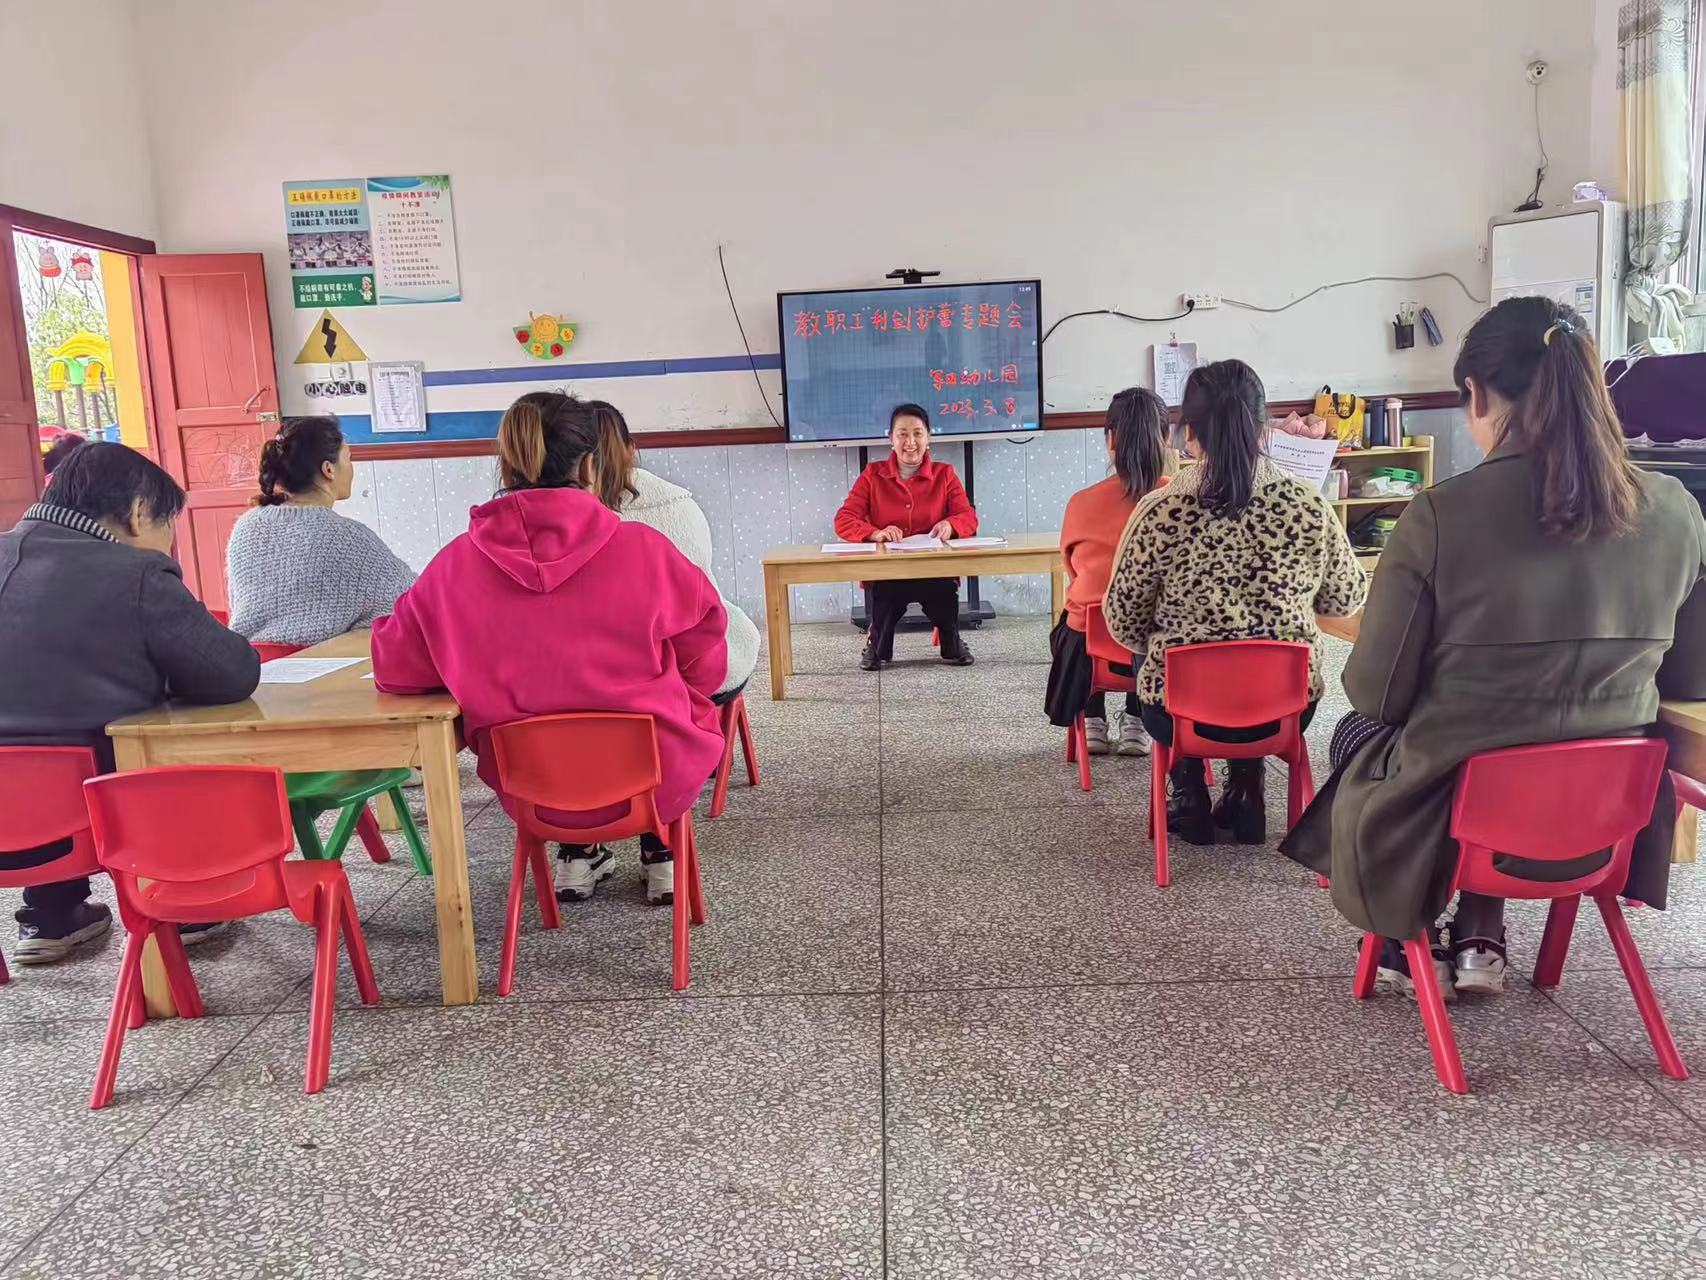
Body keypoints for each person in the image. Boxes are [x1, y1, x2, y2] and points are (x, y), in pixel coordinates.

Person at [1281, 297, 1706, 1000]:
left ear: (1476, 395)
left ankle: (1400, 931)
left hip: (1460, 805)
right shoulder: (1676, 510)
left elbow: (1377, 693)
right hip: (1605, 810)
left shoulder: (1443, 513)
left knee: (1364, 734)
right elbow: (1688, 674)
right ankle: (1481, 934)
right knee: (1519, 749)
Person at [371, 391, 727, 907]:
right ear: (589, 465)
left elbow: (396, 672)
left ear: (507, 467)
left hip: (531, 790)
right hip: (656, 780)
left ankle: (575, 856)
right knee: (680, 710)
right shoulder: (647, 551)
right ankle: (664, 852)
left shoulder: (452, 568)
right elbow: (707, 660)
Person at [0, 444, 260, 963]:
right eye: (168, 525)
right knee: (156, 741)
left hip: (18, 827)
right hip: (101, 821)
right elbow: (232, 674)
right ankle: (187, 902)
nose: (167, 543)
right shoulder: (133, 572)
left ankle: (50, 916)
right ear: (140, 511)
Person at [1104, 359, 1367, 845]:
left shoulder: (1158, 512)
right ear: (1265, 428)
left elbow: (1122, 620)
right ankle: (1247, 787)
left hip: (1180, 712)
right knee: (1255, 651)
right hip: (1285, 710)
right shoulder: (1309, 506)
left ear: (1188, 435)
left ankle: (1187, 791)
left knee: (1151, 647)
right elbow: (1345, 598)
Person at [587, 400, 760, 700]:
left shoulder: (569, 521)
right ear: (631, 449)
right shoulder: (681, 506)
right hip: (695, 673)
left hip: (601, 679)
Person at [1045, 387, 1172, 756]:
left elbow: (1074, 572)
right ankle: (1137, 721)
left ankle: (1091, 717)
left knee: (1074, 619)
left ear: (1111, 440)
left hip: (1094, 650)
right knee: (1151, 619)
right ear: (1166, 438)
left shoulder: (1081, 503)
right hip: (1166, 656)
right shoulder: (1184, 500)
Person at [226, 415, 416, 647]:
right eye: (348, 458)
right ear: (329, 469)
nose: (352, 467)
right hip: (323, 670)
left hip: (251, 673)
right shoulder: (348, 538)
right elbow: (411, 601)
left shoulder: (245, 527)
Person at [834, 403, 980, 670]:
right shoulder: (872, 475)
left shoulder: (944, 474)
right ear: (891, 438)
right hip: (889, 571)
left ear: (928, 437)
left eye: (917, 433)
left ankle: (952, 640)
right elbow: (843, 520)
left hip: (934, 568)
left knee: (944, 593)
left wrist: (951, 524)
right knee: (883, 612)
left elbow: (968, 517)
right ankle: (876, 645)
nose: (910, 442)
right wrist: (875, 533)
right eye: (902, 434)